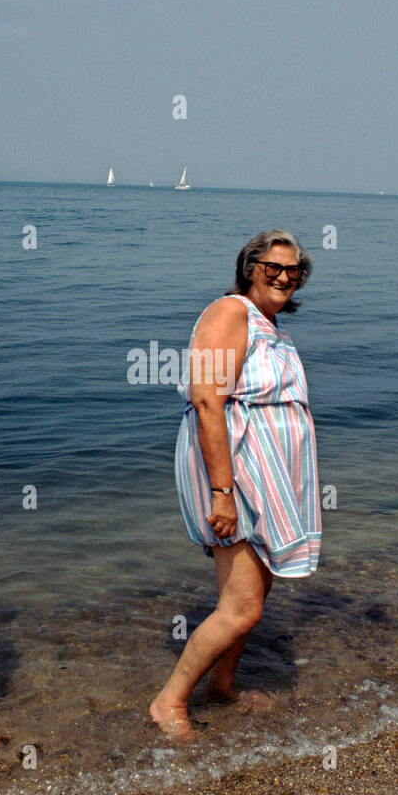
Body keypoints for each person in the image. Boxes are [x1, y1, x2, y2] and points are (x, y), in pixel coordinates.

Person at [150, 229, 321, 740]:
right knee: (243, 606)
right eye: (273, 266)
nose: (285, 276)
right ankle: (168, 702)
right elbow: (207, 401)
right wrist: (223, 492)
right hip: (234, 474)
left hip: (266, 476)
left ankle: (221, 688)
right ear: (249, 267)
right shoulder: (229, 312)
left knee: (250, 597)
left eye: (295, 270)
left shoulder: (270, 327)